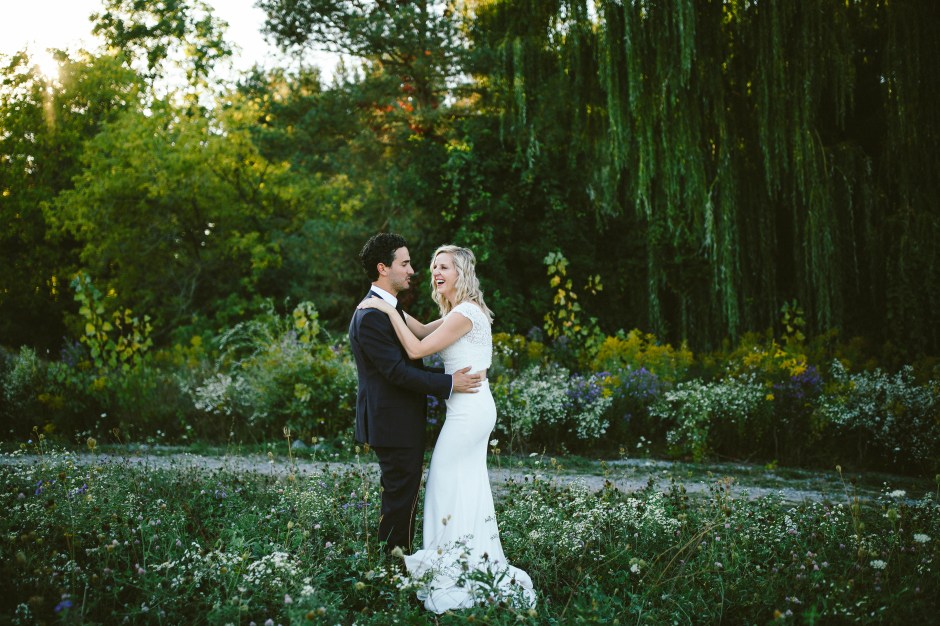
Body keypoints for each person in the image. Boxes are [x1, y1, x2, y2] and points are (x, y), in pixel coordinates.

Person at [358, 244, 537, 613]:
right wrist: (390, 306)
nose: (435, 273)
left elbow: (416, 349)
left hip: (469, 411)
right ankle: (465, 557)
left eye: (444, 267)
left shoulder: (465, 313)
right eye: (434, 267)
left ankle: (451, 566)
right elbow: (423, 329)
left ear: (462, 273)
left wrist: (386, 310)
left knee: (443, 479)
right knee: (465, 484)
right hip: (470, 407)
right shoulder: (458, 312)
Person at [348, 233, 483, 556]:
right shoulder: (371, 315)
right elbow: (397, 372)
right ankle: (393, 567)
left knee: (403, 497)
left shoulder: (387, 308)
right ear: (383, 268)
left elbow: (419, 340)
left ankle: (397, 563)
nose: (412, 270)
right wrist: (449, 383)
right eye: (405, 264)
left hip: (398, 422)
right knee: (399, 499)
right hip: (392, 424)